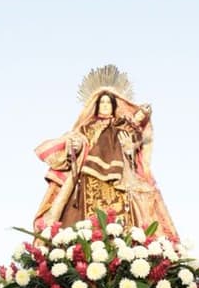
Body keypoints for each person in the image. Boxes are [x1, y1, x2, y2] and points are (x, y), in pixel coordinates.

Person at [34, 66, 177, 237]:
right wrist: (75, 146)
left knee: (122, 215)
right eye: (102, 102)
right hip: (89, 179)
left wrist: (134, 135)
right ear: (95, 105)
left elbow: (134, 136)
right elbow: (79, 141)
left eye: (108, 102)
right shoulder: (87, 127)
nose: (105, 106)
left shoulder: (120, 124)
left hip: (119, 181)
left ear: (114, 105)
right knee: (86, 217)